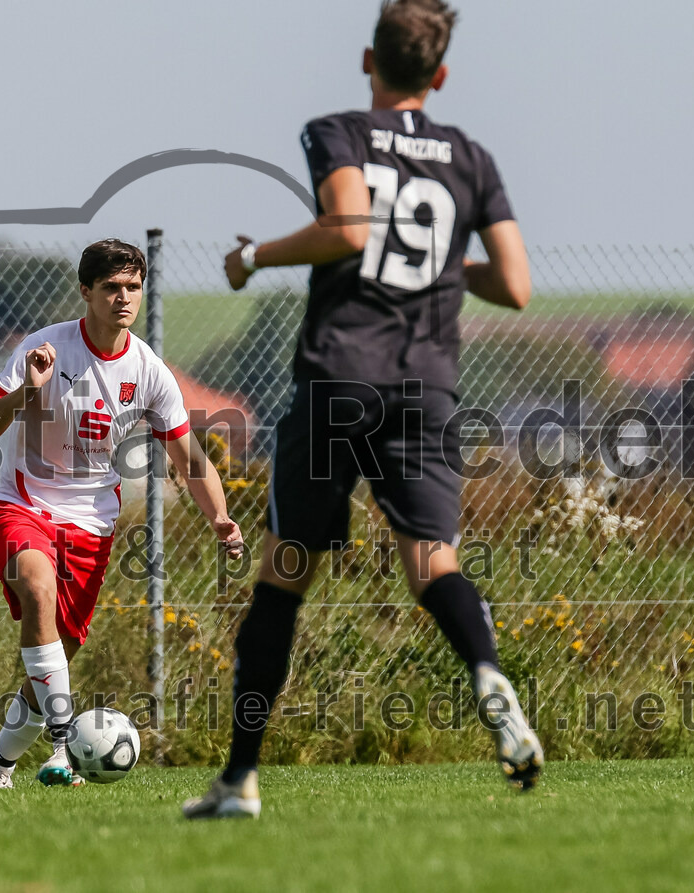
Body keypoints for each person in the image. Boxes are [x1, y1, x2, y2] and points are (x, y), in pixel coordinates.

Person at [183, 0, 542, 819]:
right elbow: (516, 284)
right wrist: (452, 264)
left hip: (341, 375)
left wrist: (253, 256)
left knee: (284, 578)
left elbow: (347, 228)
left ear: (367, 61)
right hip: (425, 385)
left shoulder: (338, 130)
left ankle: (240, 778)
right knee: (432, 561)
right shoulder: (471, 158)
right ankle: (486, 671)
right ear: (440, 75)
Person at [0, 238, 243, 789]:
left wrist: (220, 517)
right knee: (37, 587)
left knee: (52, 663)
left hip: (92, 524)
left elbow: (191, 461)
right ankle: (66, 745)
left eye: (133, 287)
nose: (124, 298)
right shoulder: (43, 350)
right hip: (21, 504)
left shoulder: (149, 372)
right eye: (111, 287)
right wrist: (26, 392)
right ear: (86, 291)